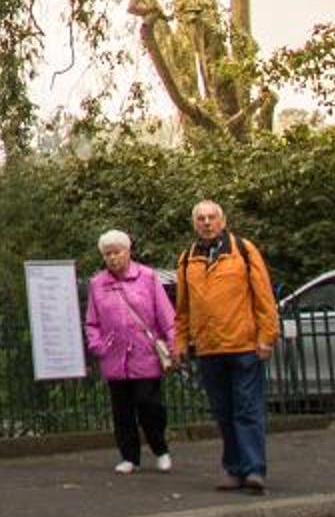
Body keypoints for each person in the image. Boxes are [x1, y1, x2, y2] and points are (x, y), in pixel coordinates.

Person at [175, 199, 280, 492]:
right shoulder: (187, 259)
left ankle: (254, 469)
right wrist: (181, 341)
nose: (207, 223)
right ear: (194, 224)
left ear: (223, 221)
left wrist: (266, 336)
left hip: (243, 344)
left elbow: (263, 297)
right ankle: (234, 469)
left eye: (212, 217)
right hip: (208, 348)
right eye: (201, 218)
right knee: (223, 412)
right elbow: (183, 307)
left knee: (247, 409)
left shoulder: (243, 251)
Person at [82, 229, 175, 473]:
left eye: (117, 252)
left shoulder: (147, 277)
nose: (112, 258)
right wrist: (97, 344)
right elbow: (92, 321)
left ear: (128, 251)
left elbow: (166, 315)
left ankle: (160, 449)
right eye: (107, 254)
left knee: (148, 404)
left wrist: (173, 344)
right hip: (114, 355)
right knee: (122, 410)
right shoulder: (97, 283)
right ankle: (129, 457)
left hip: (145, 353)